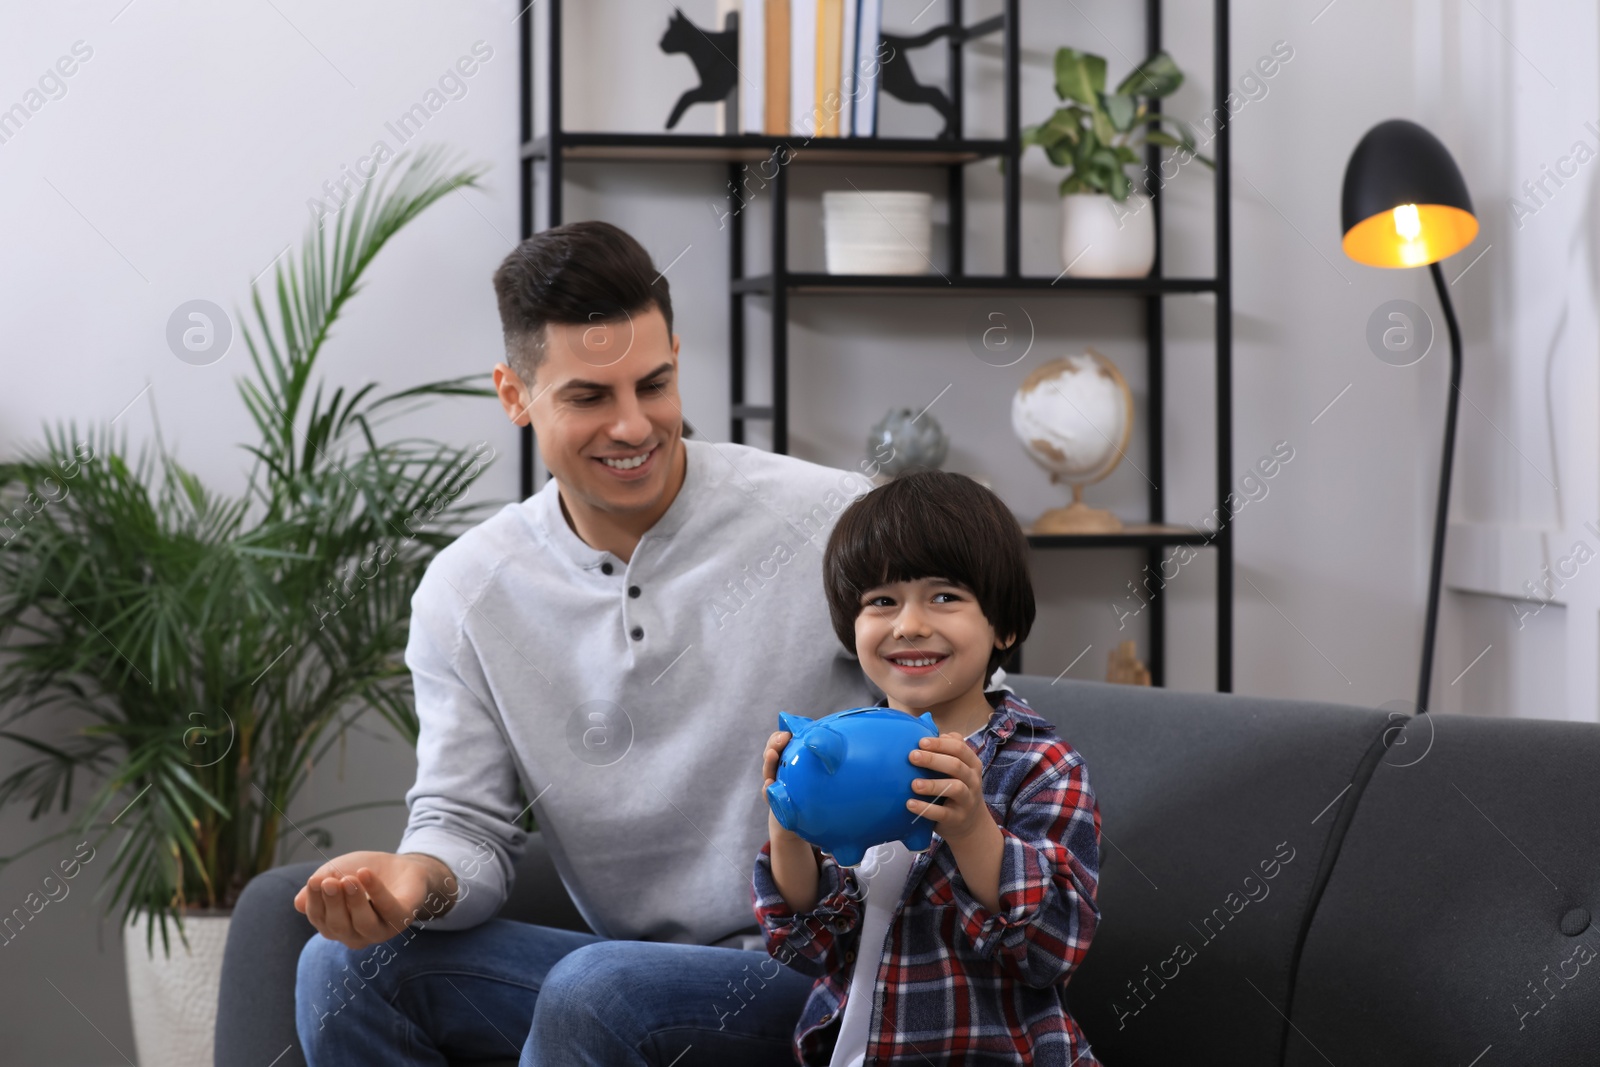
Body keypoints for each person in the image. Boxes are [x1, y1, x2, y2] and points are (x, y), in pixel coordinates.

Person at [292, 219, 883, 1065]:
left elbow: (977, 714)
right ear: (514, 394)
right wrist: (412, 879)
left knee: (597, 986)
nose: (635, 425)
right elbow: (465, 823)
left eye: (656, 383)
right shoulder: (468, 592)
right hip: (629, 977)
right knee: (343, 966)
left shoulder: (831, 522)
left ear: (677, 356)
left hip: (821, 973)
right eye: (589, 397)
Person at [753, 471, 1103, 1066]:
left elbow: (1052, 949)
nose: (909, 624)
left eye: (945, 596)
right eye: (881, 601)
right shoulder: (833, 750)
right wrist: (790, 827)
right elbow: (806, 953)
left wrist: (971, 832)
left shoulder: (1043, 765)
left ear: (1004, 626)